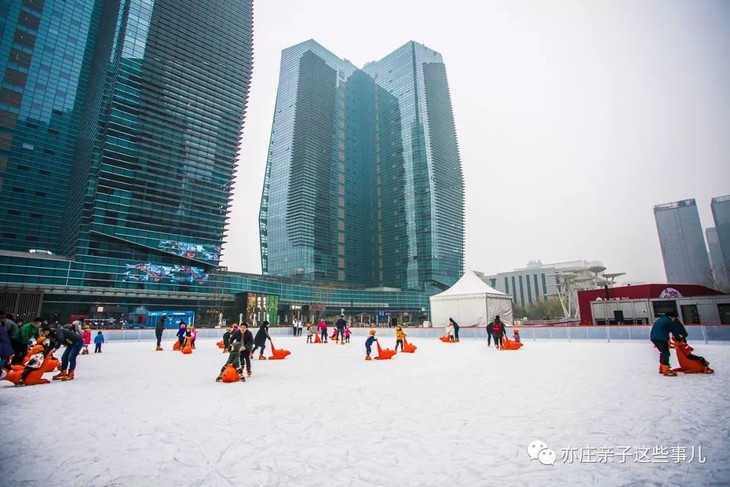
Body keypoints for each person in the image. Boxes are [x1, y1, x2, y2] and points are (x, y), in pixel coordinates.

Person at [650, 311, 682, 376]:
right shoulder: (669, 321)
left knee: (663, 352)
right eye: (674, 318)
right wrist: (679, 339)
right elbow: (674, 331)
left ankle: (662, 367)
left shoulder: (660, 320)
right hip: (661, 338)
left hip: (654, 338)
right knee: (666, 353)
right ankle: (666, 369)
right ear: (672, 317)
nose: (674, 320)